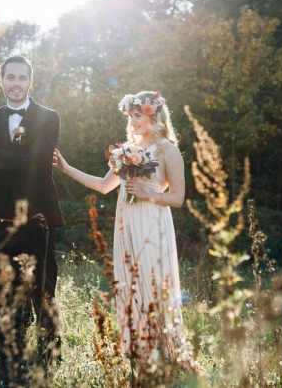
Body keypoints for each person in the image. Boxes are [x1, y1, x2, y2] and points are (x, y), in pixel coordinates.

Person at [53, 91, 199, 370]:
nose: (133, 122)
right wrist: (67, 168)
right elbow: (103, 186)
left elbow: (178, 198)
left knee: (153, 285)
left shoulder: (168, 150)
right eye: (130, 116)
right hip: (127, 225)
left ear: (154, 115)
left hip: (153, 224)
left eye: (138, 115)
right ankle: (138, 353)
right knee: (130, 284)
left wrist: (147, 194)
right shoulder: (125, 151)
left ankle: (165, 354)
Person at [0, 55, 64, 369]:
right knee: (3, 284)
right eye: (10, 77)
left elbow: (36, 164)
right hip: (0, 217)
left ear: (31, 82)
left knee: (43, 284)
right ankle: (8, 355)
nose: (16, 83)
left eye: (22, 77)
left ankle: (50, 351)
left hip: (39, 214)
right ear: (1, 81)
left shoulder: (48, 118)